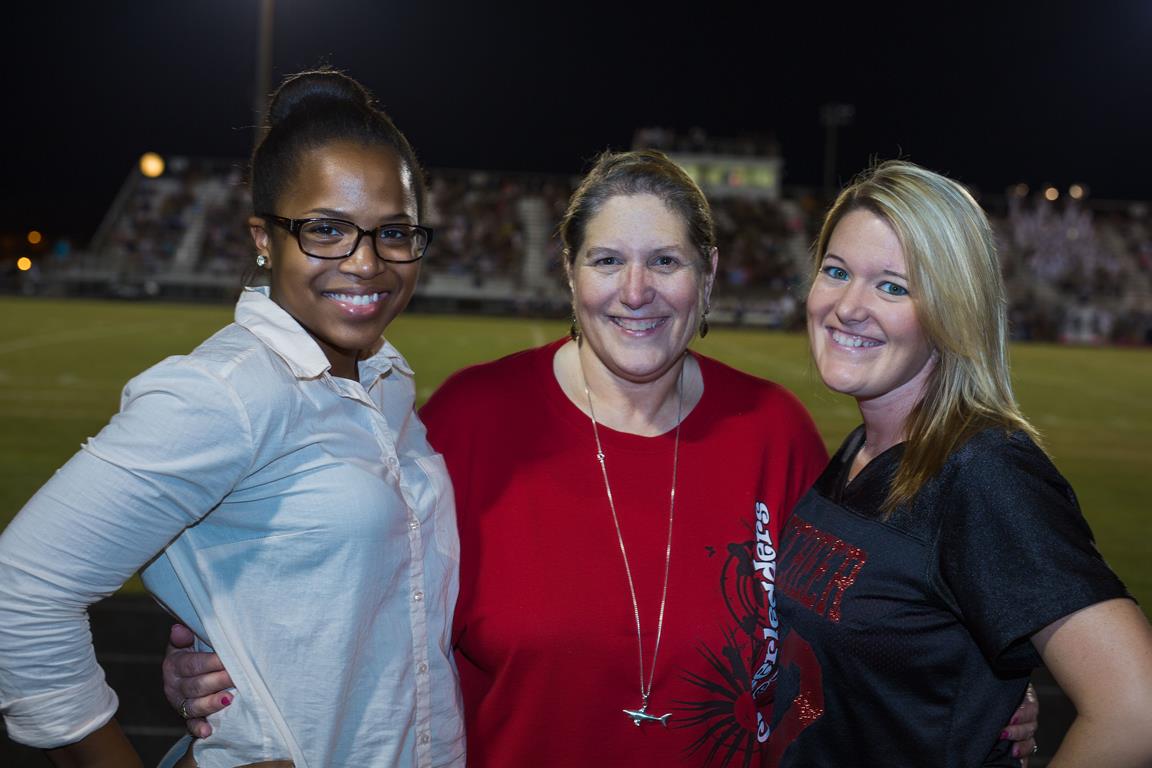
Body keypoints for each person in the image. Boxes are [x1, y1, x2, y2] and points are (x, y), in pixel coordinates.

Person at [162, 150, 1041, 764]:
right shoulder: (470, 418)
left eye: (665, 261)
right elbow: (358, 595)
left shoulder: (773, 429)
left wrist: (969, 699)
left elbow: (840, 626)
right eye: (608, 259)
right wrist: (225, 657)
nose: (635, 291)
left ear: (708, 274)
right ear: (569, 273)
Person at [0, 68, 465, 767]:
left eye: (394, 232)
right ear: (263, 238)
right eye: (326, 230)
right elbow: (20, 595)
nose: (367, 262)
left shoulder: (386, 382)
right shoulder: (225, 393)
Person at [770, 160, 1152, 766]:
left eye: (893, 286)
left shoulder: (983, 471)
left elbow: (1136, 709)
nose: (848, 305)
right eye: (836, 271)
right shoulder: (862, 450)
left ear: (953, 309)